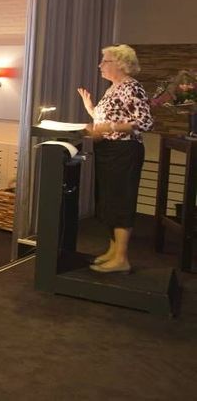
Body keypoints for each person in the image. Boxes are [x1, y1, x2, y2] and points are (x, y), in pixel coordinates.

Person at [78, 44, 153, 274]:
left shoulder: (132, 87)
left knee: (121, 201)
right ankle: (113, 252)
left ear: (119, 64)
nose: (100, 65)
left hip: (124, 152)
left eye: (105, 61)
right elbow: (109, 119)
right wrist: (90, 108)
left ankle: (121, 258)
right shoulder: (113, 88)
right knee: (109, 202)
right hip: (109, 151)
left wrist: (106, 126)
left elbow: (145, 122)